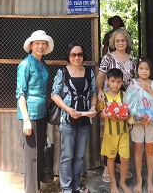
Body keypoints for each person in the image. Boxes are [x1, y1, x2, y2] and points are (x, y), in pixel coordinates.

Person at [51, 42, 97, 193]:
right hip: (67, 119)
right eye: (73, 54)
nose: (77, 57)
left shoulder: (89, 72)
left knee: (79, 155)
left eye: (80, 54)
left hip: (84, 119)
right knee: (67, 155)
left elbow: (93, 93)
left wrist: (93, 107)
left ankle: (76, 185)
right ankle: (66, 187)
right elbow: (54, 94)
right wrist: (67, 109)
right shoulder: (62, 72)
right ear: (68, 56)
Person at [96, 28, 136, 183]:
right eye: (117, 41)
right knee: (110, 135)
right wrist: (99, 91)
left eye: (123, 40)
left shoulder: (132, 58)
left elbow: (134, 78)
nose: (120, 43)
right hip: (111, 99)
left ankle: (119, 166)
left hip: (126, 99)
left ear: (127, 42)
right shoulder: (108, 57)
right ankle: (108, 166)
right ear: (113, 42)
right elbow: (100, 76)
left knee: (123, 133)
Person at [16, 30, 53, 193]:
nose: (40, 46)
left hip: (42, 113)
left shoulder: (42, 63)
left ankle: (36, 188)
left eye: (43, 44)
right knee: (31, 156)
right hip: (30, 115)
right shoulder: (25, 65)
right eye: (37, 43)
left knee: (39, 153)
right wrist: (26, 120)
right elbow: (20, 93)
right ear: (31, 45)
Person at [130, 59, 153, 193]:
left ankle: (150, 180)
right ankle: (139, 180)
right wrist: (139, 115)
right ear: (137, 70)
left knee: (150, 149)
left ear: (151, 71)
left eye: (147, 69)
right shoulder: (133, 83)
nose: (144, 71)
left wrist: (148, 89)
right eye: (141, 68)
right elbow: (129, 101)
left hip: (152, 121)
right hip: (137, 121)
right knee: (138, 148)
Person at [98, 68, 131, 193]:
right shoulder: (103, 97)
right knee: (111, 159)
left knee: (125, 159)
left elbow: (130, 112)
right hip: (110, 134)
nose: (115, 85)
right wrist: (103, 114)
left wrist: (127, 116)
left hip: (124, 133)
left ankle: (122, 182)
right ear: (107, 81)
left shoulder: (125, 95)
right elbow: (99, 113)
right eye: (112, 81)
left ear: (122, 82)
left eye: (118, 82)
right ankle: (113, 183)